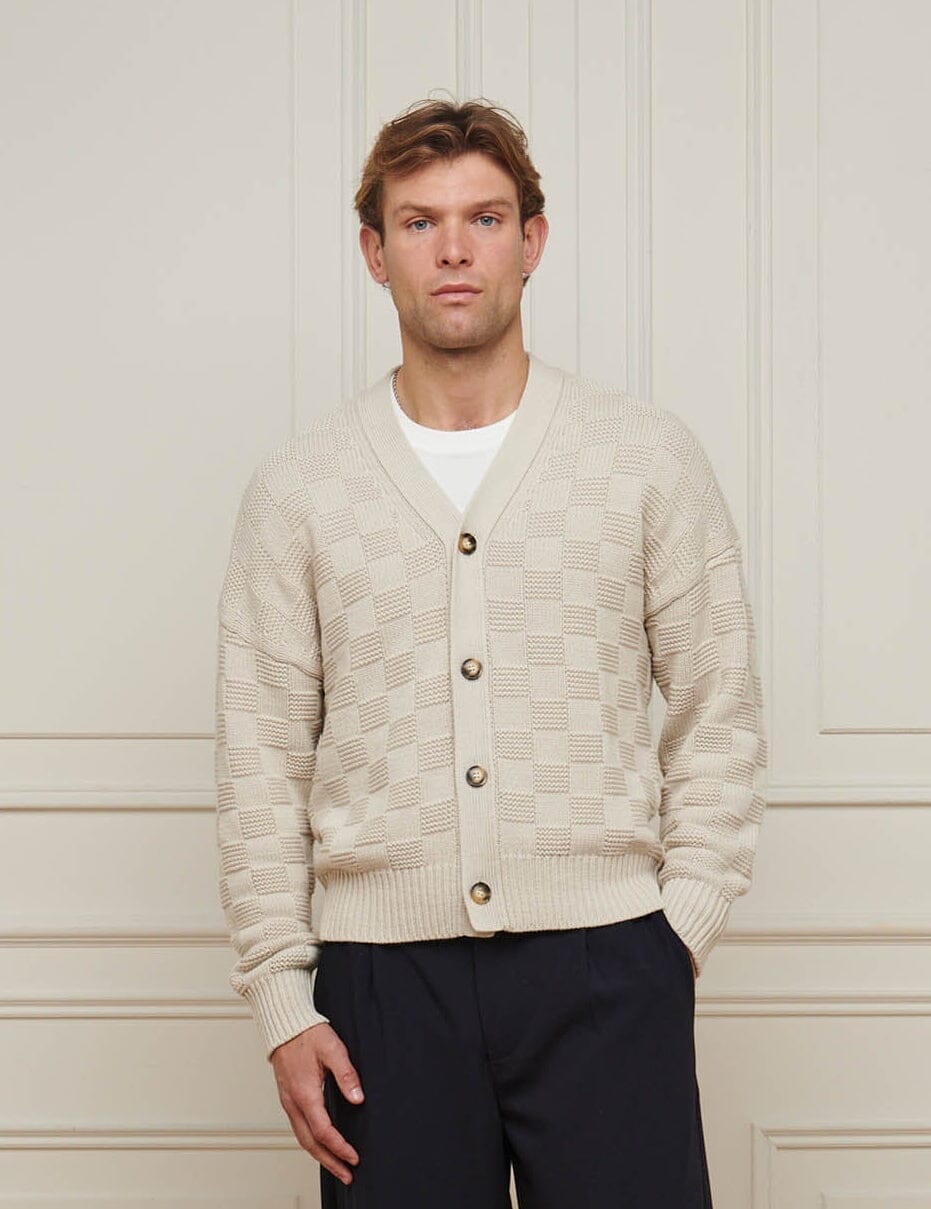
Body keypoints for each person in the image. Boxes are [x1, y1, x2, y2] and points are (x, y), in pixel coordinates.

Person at [214, 96, 768, 1208]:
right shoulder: (300, 490)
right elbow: (259, 756)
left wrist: (676, 934)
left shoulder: (644, 459)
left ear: (533, 240)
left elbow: (721, 706)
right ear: (375, 253)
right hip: (381, 988)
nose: (454, 250)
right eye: (419, 222)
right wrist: (281, 1000)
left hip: (608, 964)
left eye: (485, 218)